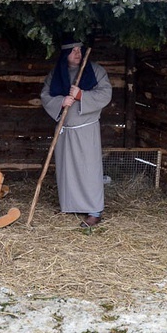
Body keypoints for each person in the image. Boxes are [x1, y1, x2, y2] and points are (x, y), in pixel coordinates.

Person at [40, 38, 112, 227]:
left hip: (86, 130)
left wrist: (82, 95)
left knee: (89, 170)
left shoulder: (95, 71)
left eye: (80, 49)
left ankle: (94, 210)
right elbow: (46, 96)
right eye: (73, 51)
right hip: (64, 131)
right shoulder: (56, 73)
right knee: (67, 170)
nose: (78, 54)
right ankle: (70, 205)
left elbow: (105, 93)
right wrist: (61, 102)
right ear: (65, 54)